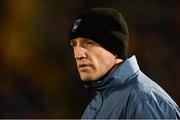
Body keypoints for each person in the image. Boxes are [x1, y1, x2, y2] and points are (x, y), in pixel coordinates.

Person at [68, 8, 180, 119]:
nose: (77, 55)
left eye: (89, 43)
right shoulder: (98, 102)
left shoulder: (144, 101)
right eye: (74, 44)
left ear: (114, 48)